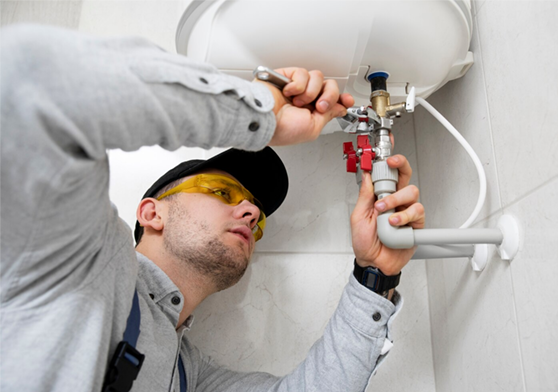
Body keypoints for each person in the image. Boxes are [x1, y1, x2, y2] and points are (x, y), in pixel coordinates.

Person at [0, 24, 424, 392]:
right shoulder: (74, 263)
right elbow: (28, 79)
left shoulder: (187, 376)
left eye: (256, 215)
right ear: (152, 214)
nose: (252, 213)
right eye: (222, 192)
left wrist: (376, 274)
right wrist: (258, 113)